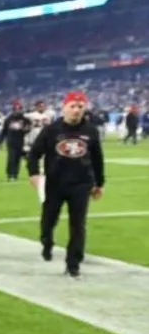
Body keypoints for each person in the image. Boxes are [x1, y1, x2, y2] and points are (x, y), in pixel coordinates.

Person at [27, 91, 104, 278]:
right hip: (55, 184)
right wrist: (34, 174)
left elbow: (97, 159)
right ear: (64, 108)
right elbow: (34, 154)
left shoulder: (91, 131)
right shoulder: (51, 130)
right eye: (73, 106)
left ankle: (73, 264)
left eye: (80, 107)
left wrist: (99, 183)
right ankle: (47, 242)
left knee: (78, 225)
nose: (76, 110)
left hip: (81, 184)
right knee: (48, 221)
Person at [0, 100, 31, 182]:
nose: (18, 111)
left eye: (19, 109)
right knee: (11, 158)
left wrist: (26, 129)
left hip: (21, 141)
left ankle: (15, 174)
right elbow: (4, 130)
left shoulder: (25, 120)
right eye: (16, 109)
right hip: (11, 141)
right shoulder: (8, 119)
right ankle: (10, 174)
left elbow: (28, 129)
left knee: (18, 159)